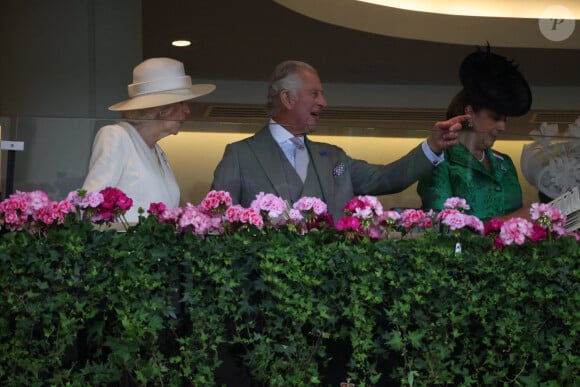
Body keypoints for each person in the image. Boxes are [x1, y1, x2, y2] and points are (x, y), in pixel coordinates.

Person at [211, 60, 469, 222]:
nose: (323, 102)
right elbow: (216, 225)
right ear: (288, 99)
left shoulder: (334, 159)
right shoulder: (240, 156)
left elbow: (386, 178)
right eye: (315, 93)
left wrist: (432, 146)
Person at [83, 57, 215, 221]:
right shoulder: (115, 136)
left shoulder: (158, 152)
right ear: (163, 109)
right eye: (182, 103)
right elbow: (89, 206)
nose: (187, 110)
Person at [417, 46, 532, 222]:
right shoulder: (439, 160)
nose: (502, 127)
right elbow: (441, 226)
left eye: (505, 119)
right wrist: (513, 219)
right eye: (495, 118)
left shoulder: (506, 163)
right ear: (470, 113)